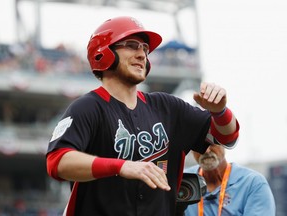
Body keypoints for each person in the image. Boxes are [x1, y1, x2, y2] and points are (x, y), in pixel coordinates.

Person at [46, 16, 240, 216]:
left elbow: (227, 137)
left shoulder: (168, 107)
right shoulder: (87, 108)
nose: (142, 55)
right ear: (104, 54)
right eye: (132, 46)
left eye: (145, 49)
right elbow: (57, 162)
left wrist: (220, 111)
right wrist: (121, 166)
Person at [184, 143, 276, 216]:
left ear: (224, 143)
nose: (207, 151)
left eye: (211, 143)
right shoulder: (182, 180)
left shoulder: (252, 183)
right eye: (199, 145)